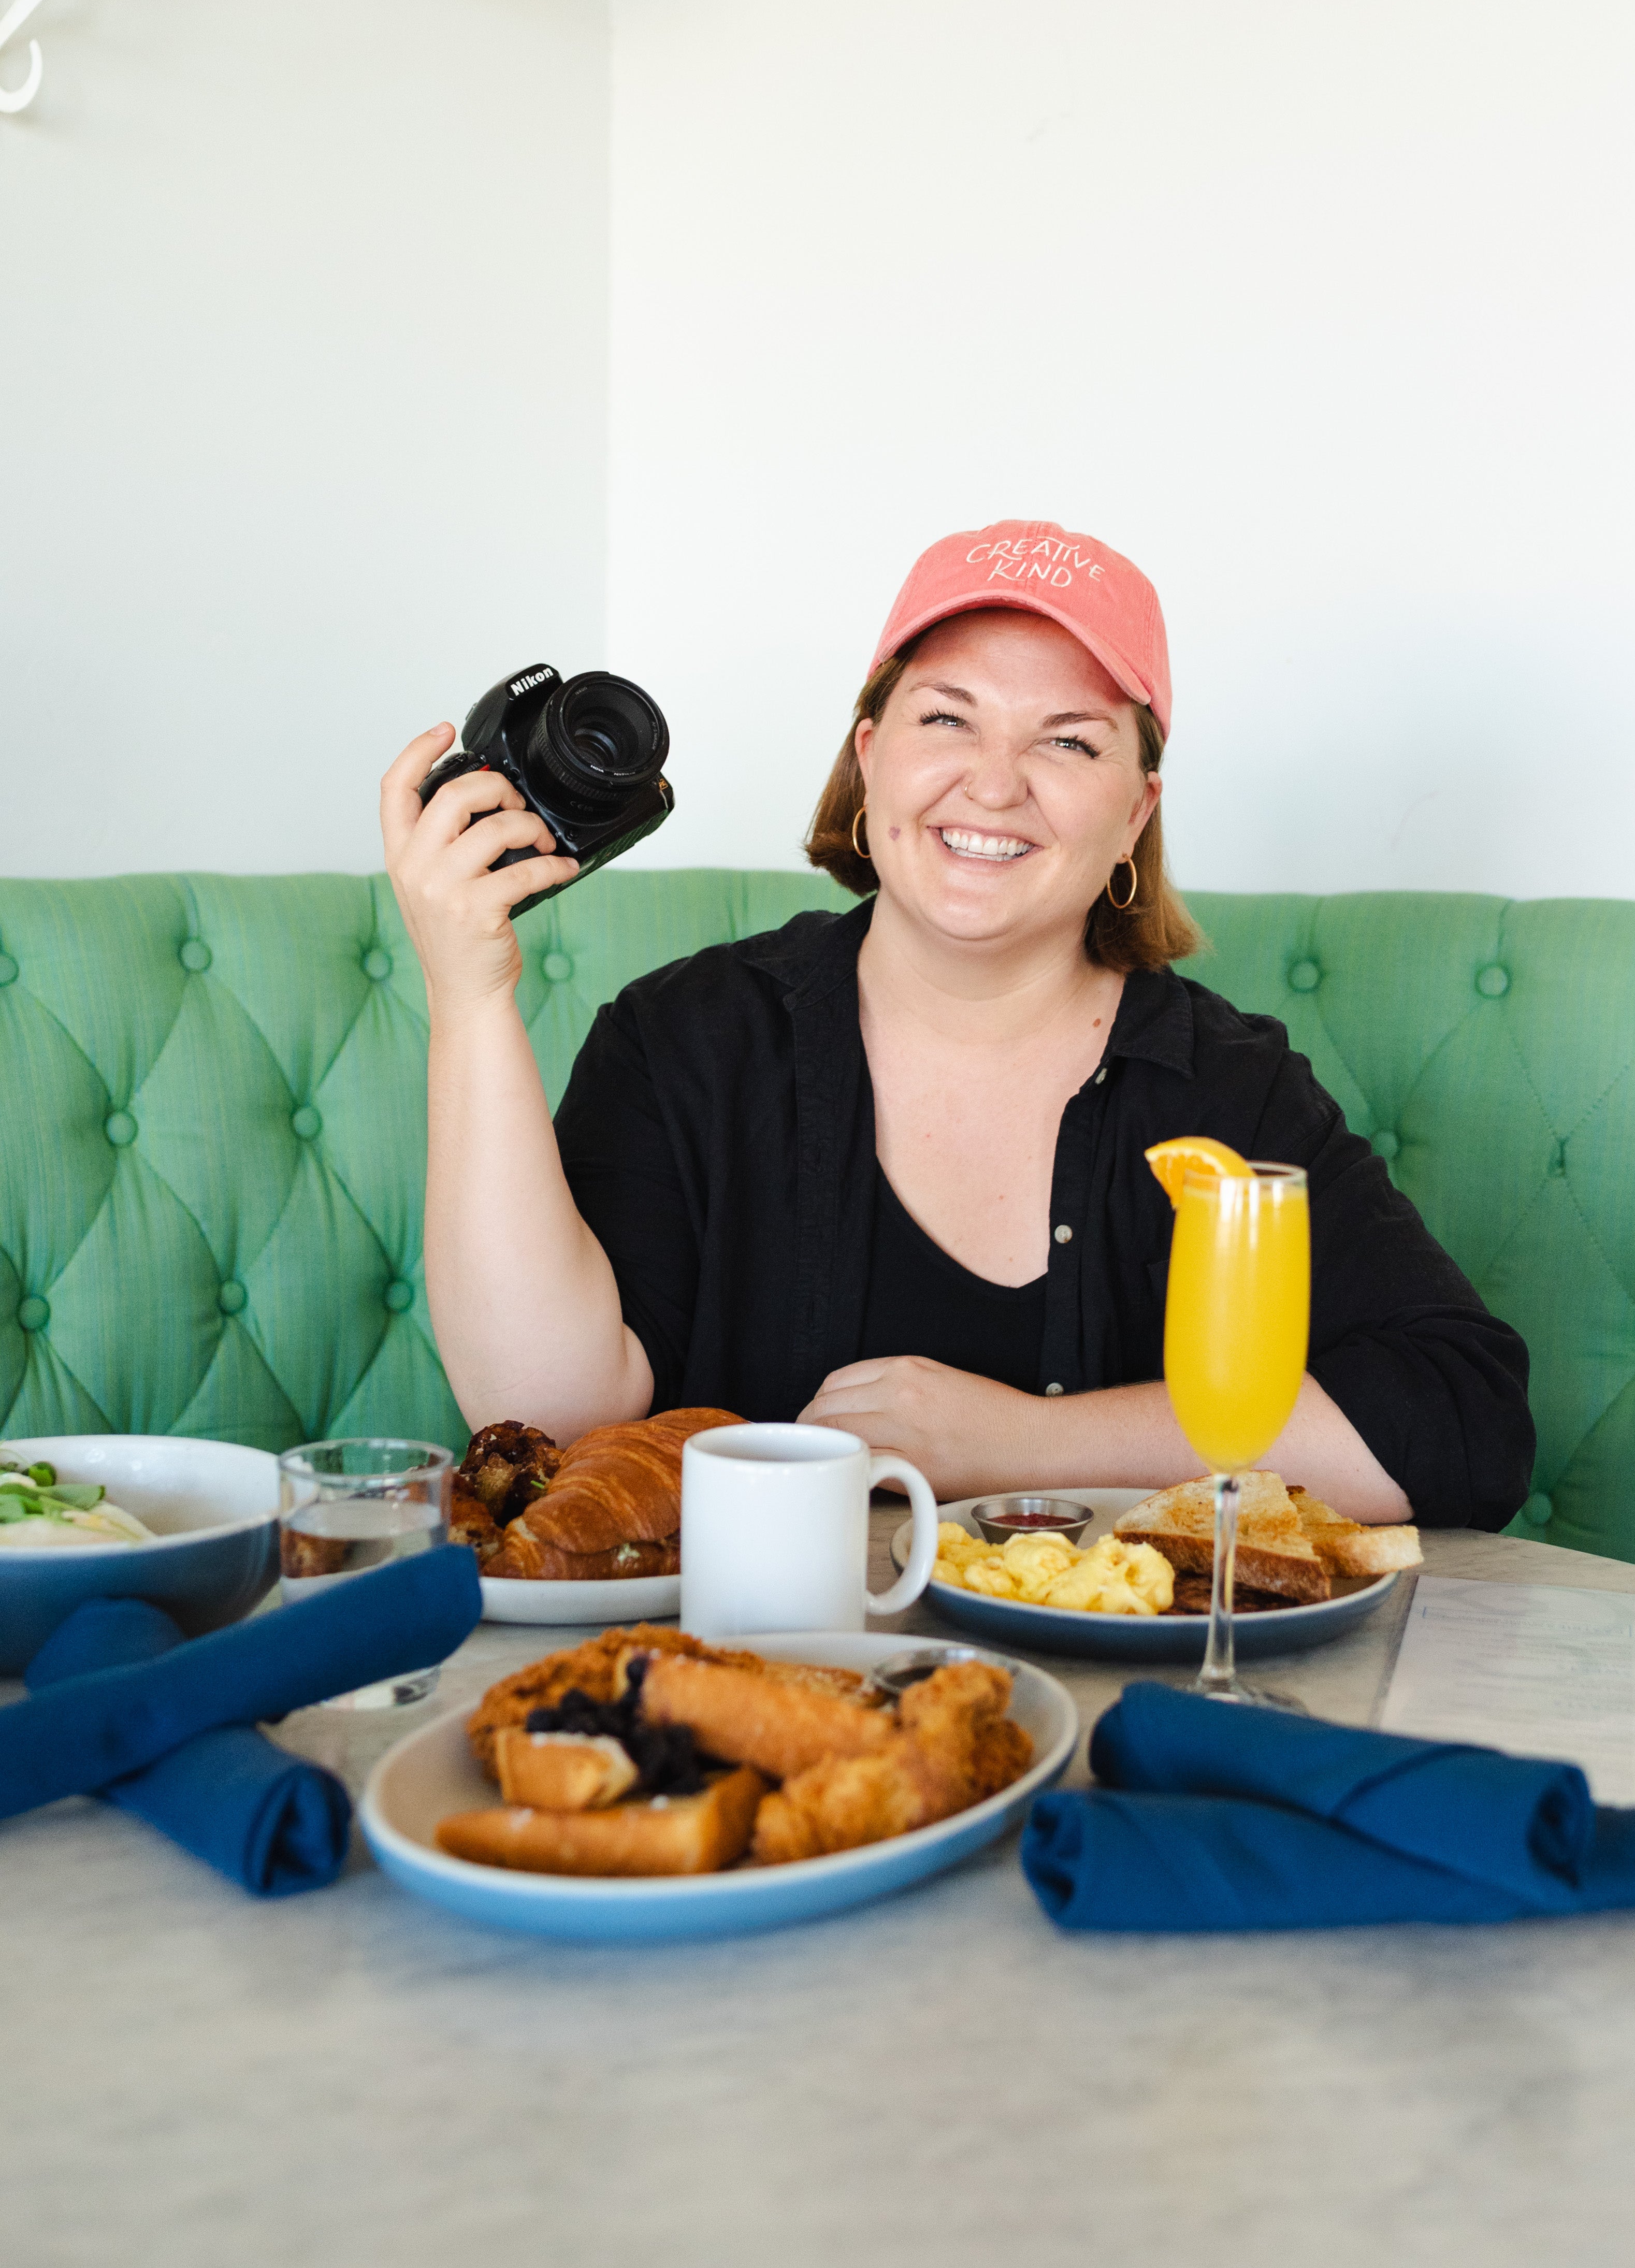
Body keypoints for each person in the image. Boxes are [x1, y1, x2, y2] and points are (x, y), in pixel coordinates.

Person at [379, 518, 1533, 1521]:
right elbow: (549, 1418)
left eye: (1068, 740)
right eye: (946, 720)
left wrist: (1019, 1444)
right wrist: (469, 994)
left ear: (1135, 812)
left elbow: (1459, 1420)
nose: (992, 783)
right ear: (870, 760)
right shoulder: (691, 1038)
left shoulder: (1220, 1087)